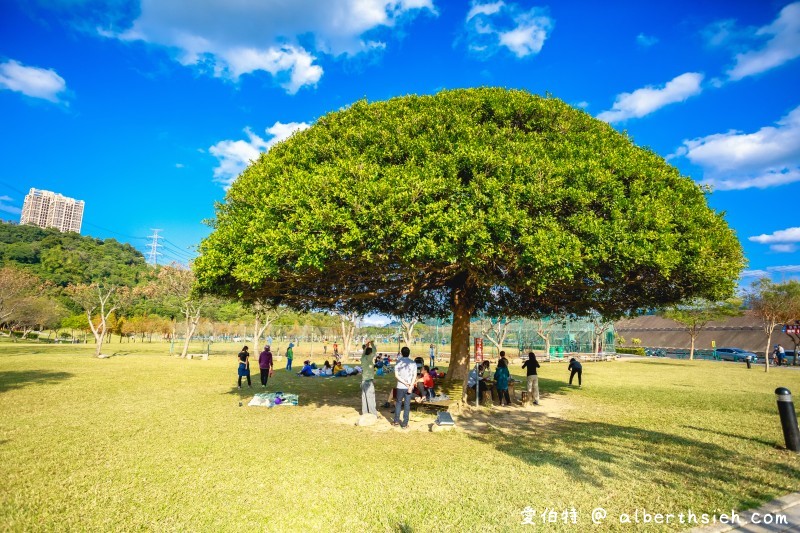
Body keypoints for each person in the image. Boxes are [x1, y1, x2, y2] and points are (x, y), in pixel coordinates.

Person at [393, 347, 416, 428]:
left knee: (398, 403)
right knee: (407, 405)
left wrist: (404, 383)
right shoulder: (413, 363)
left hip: (400, 386)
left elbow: (396, 376)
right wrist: (410, 385)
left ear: (401, 353)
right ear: (409, 353)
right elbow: (414, 376)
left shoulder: (398, 362)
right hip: (409, 386)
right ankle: (405, 423)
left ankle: (396, 421)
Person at [361, 341, 377, 418]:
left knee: (364, 398)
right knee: (371, 398)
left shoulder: (363, 358)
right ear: (370, 353)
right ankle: (373, 414)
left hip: (363, 381)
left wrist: (366, 346)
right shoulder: (368, 358)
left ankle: (365, 413)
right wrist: (372, 343)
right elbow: (375, 351)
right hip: (368, 381)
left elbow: (363, 353)